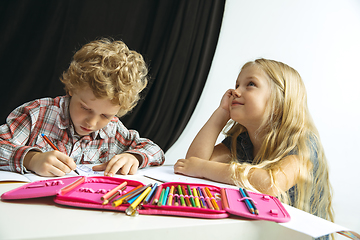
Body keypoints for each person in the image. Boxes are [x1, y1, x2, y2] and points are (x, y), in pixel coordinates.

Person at [174, 58, 334, 235]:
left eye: (250, 84)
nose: (235, 91)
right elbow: (194, 162)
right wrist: (221, 113)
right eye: (237, 84)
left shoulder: (301, 143)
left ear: (279, 103)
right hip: (263, 233)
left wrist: (203, 168)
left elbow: (270, 184)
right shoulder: (243, 140)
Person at [0, 38, 165, 177]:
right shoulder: (36, 114)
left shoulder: (113, 129)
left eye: (105, 116)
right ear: (71, 88)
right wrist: (31, 159)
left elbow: (155, 151)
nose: (92, 122)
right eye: (86, 108)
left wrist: (134, 157)